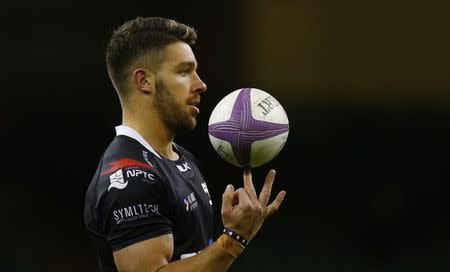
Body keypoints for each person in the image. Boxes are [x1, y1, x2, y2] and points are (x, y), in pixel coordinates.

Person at [84, 17, 286, 272]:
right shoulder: (130, 176)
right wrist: (234, 239)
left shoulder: (181, 158)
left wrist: (234, 234)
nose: (201, 84)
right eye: (183, 71)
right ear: (144, 81)